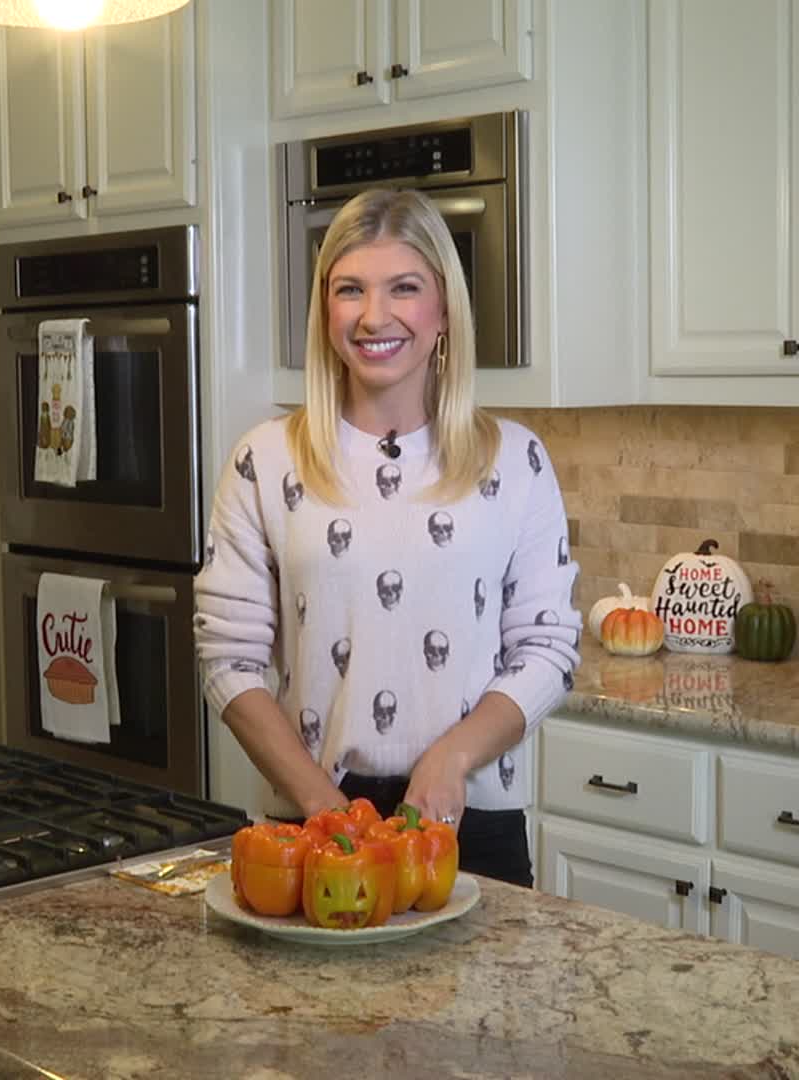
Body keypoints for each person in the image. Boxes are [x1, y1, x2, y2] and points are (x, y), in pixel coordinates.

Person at [193, 188, 579, 888]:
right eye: (350, 290)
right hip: (305, 825)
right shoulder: (266, 459)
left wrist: (453, 757)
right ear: (325, 311)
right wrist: (325, 809)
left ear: (443, 314)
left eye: (404, 287)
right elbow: (228, 657)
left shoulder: (515, 460)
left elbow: (547, 648)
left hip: (470, 828)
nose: (375, 316)